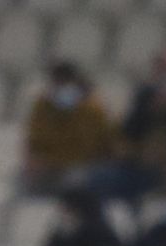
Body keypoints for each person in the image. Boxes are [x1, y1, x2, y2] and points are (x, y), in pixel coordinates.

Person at [18, 62, 120, 198]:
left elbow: (106, 144)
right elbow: (33, 140)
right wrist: (32, 160)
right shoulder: (42, 106)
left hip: (83, 167)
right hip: (49, 167)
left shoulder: (94, 109)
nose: (59, 88)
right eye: (56, 83)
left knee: (76, 182)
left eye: (64, 83)